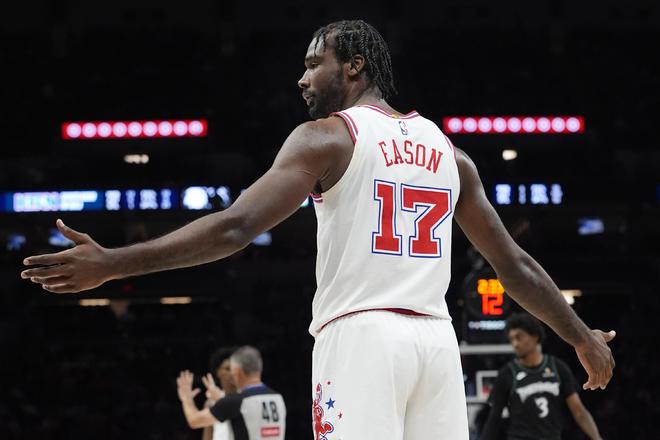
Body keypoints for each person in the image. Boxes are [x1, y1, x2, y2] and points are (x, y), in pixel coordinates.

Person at [21, 20, 615, 439]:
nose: (302, 79)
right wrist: (580, 335)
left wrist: (114, 263)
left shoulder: (328, 137)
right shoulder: (449, 153)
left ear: (354, 64)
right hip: (436, 345)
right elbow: (514, 266)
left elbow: (236, 227)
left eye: (313, 63)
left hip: (361, 338)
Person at [481, 314, 603, 440]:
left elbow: (579, 412)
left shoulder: (557, 367)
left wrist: (597, 438)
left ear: (535, 336)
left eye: (519, 337)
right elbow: (494, 418)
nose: (515, 344)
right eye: (511, 339)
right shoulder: (507, 373)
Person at [177, 346, 286, 440]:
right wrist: (221, 399)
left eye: (231, 369)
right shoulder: (278, 397)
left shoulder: (237, 401)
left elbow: (194, 420)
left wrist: (186, 399)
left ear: (237, 371)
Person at [201, 347, 238, 440]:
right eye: (227, 369)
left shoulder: (246, 398)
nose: (232, 373)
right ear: (218, 372)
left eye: (235, 368)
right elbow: (207, 437)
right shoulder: (211, 403)